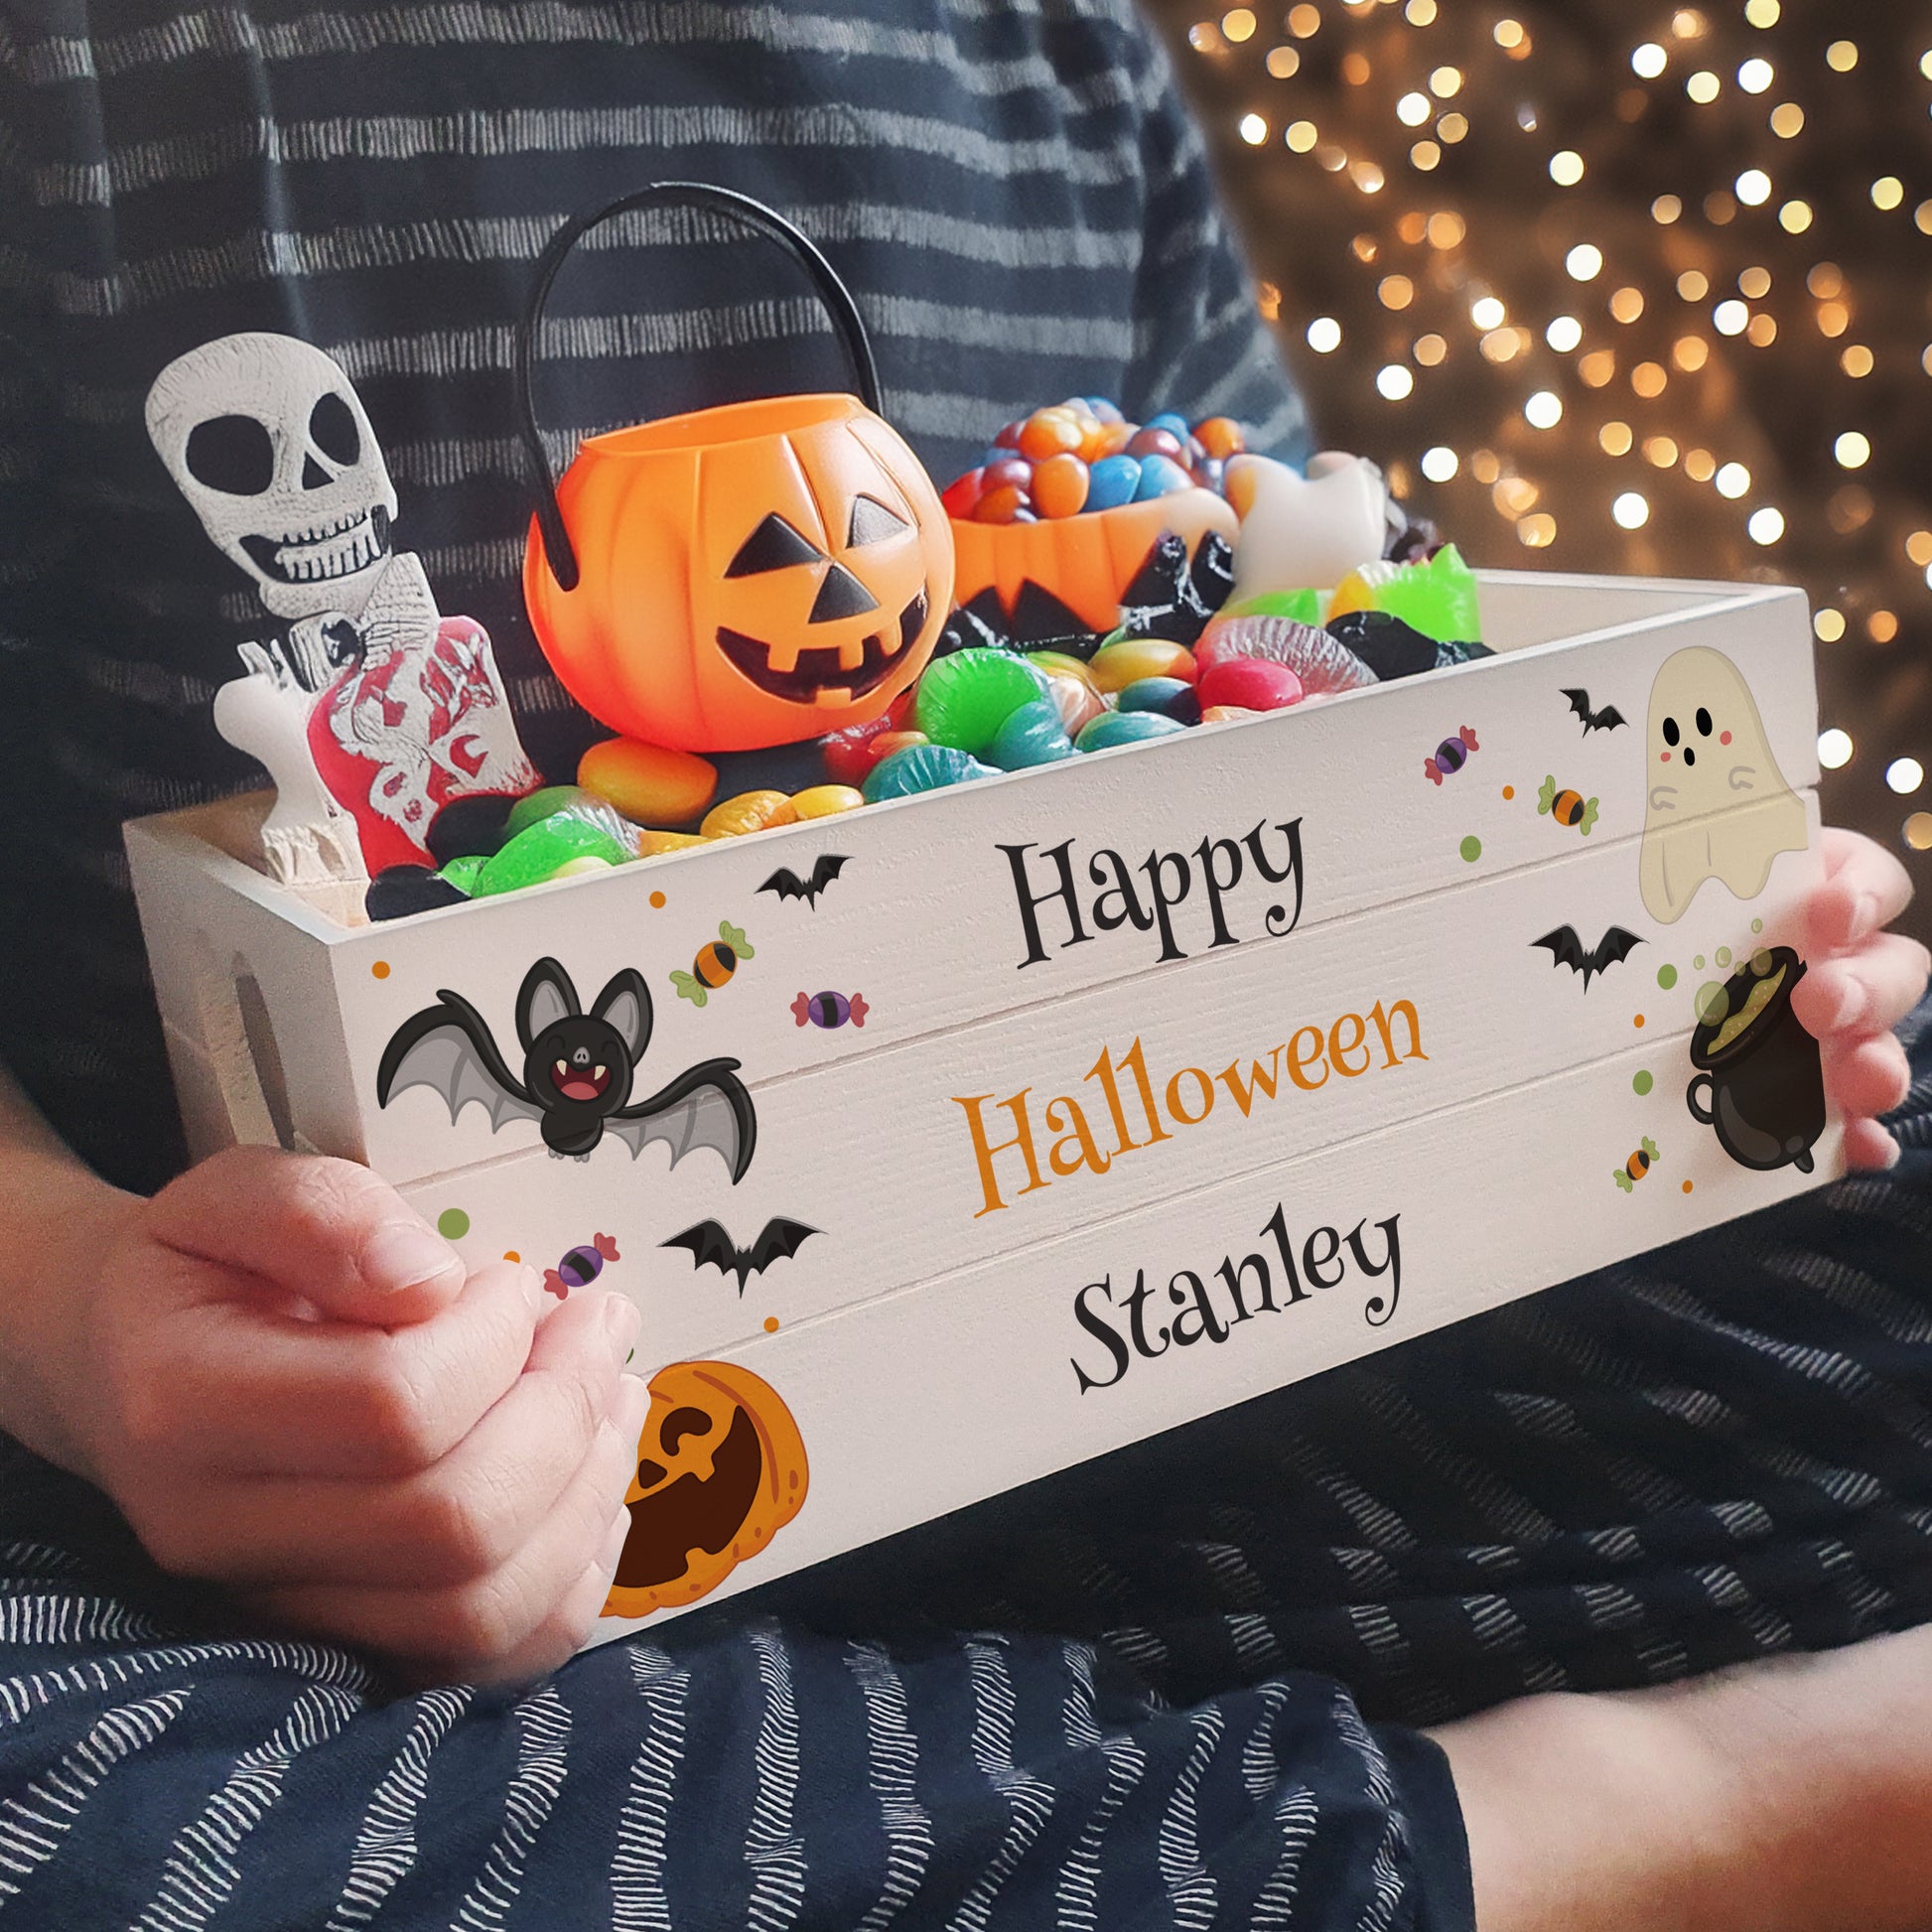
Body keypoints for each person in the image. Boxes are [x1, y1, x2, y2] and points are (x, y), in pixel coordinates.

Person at [2, 3, 1929, 1927]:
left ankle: (1039, 1790)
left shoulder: (1051, 59)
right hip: (338, 1462)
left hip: (1175, 1246)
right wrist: (73, 1311)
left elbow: (1318, 660)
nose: (830, 595)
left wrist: (1658, 906)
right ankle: (1687, 1812)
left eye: (857, 546)